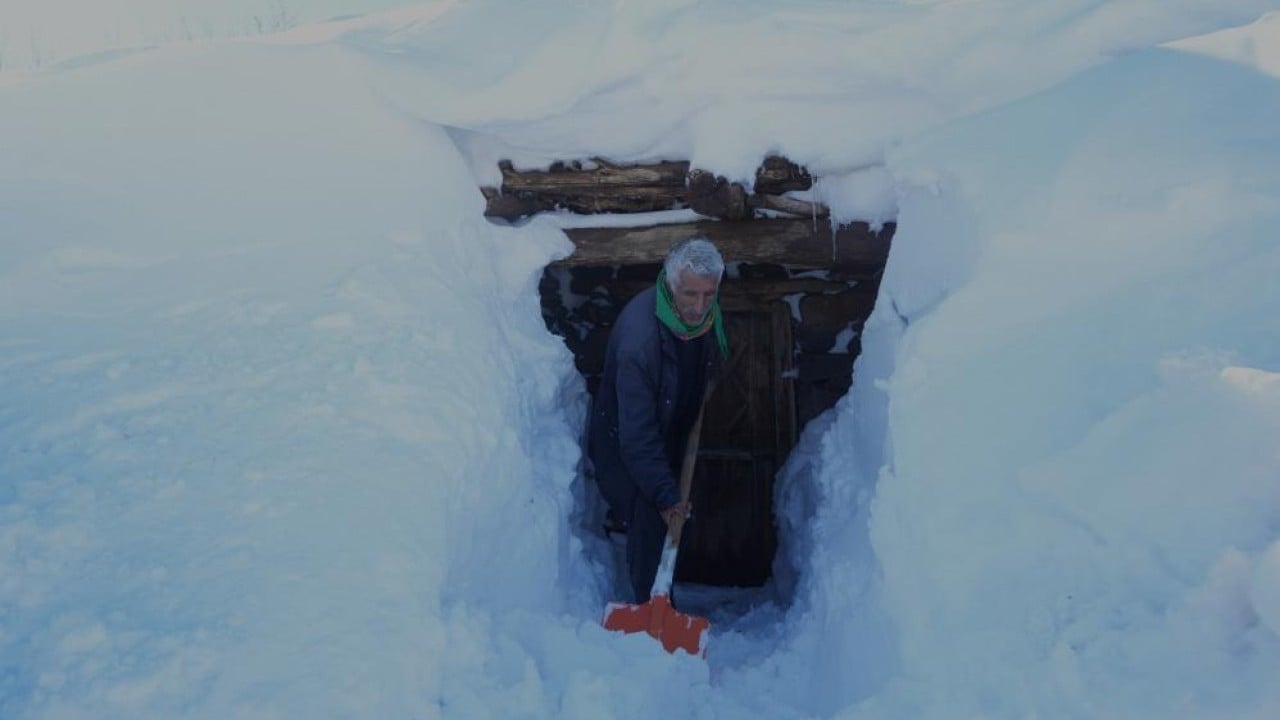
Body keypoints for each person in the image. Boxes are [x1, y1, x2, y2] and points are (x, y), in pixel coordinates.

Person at [588, 237, 729, 604]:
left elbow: (708, 345)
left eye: (708, 295)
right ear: (669, 286)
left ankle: (661, 598)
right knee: (649, 516)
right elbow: (637, 437)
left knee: (667, 504)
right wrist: (667, 497)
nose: (699, 307)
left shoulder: (701, 317)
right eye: (690, 295)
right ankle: (648, 607)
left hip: (668, 425)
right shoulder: (641, 342)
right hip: (625, 441)